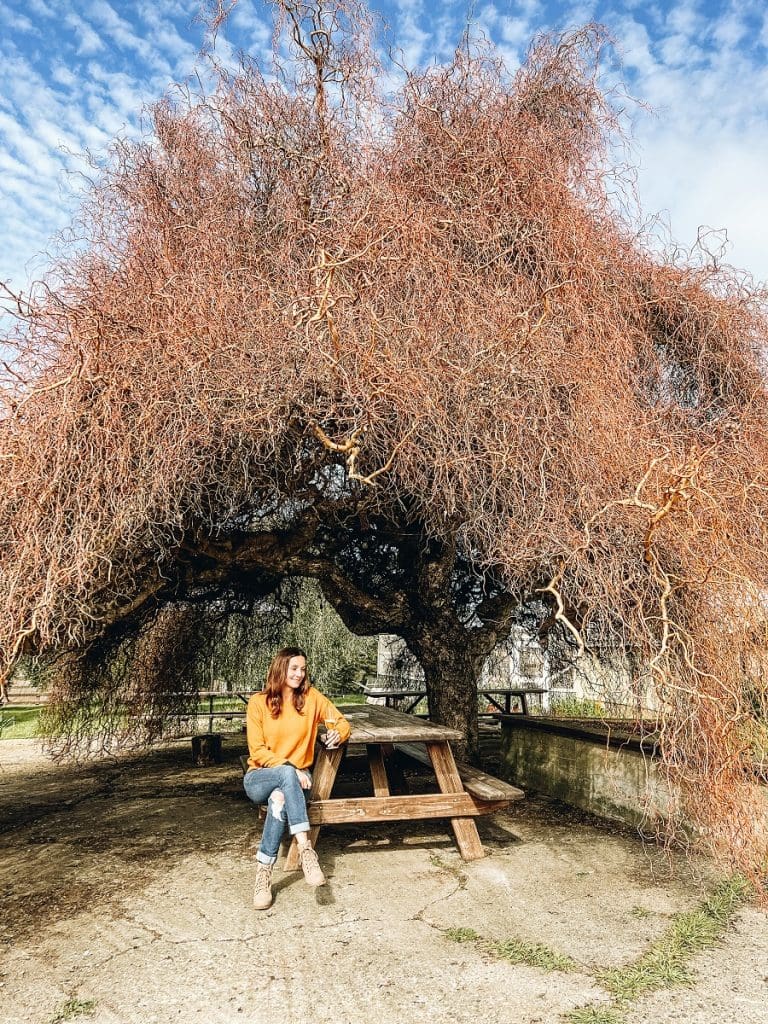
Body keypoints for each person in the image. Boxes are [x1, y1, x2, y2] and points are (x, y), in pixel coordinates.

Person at [243, 646, 351, 910]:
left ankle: (263, 874)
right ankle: (306, 849)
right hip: (260, 776)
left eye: (303, 669)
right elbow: (257, 751)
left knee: (279, 799)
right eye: (294, 668)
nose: (299, 674)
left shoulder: (311, 699)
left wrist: (337, 733)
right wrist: (289, 768)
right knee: (285, 774)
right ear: (280, 668)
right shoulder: (259, 703)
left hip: (292, 784)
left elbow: (341, 721)